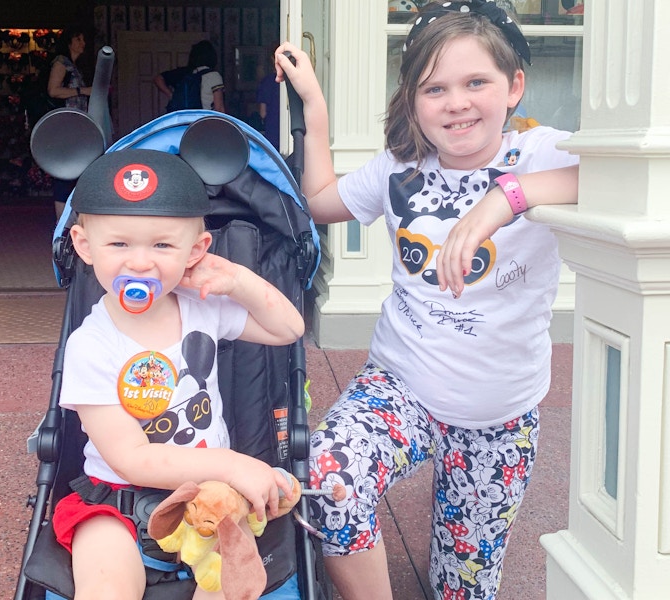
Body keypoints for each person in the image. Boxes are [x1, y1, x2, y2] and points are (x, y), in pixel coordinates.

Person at [274, 1, 580, 599]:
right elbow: (319, 202)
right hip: (401, 386)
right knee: (327, 477)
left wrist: (506, 199)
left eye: (476, 82)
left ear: (513, 85)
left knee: (459, 590)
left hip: (500, 416)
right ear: (413, 100)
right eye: (434, 87)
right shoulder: (399, 169)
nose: (457, 102)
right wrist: (315, 105)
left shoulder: (537, 152)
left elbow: (641, 172)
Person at [51, 147, 303, 599]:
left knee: (233, 586)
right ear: (85, 246)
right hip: (119, 502)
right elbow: (131, 458)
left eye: (163, 245)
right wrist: (232, 464)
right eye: (119, 244)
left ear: (196, 250)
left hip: (210, 501)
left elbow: (288, 329)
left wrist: (238, 281)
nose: (141, 262)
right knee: (106, 584)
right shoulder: (91, 345)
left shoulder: (202, 309)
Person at [48, 28, 93, 218]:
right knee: (64, 171)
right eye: (78, 38)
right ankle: (61, 221)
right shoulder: (61, 62)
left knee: (75, 170)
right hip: (65, 125)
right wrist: (82, 90)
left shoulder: (74, 65)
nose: (82, 42)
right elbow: (53, 90)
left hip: (76, 125)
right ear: (69, 42)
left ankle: (71, 217)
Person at [153, 40, 226, 113]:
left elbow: (158, 79)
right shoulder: (214, 76)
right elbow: (219, 108)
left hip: (184, 119)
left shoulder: (184, 73)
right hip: (204, 120)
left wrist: (171, 95)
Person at [256, 53, 281, 150]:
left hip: (272, 132)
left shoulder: (266, 82)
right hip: (290, 133)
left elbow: (263, 113)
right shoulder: (291, 80)